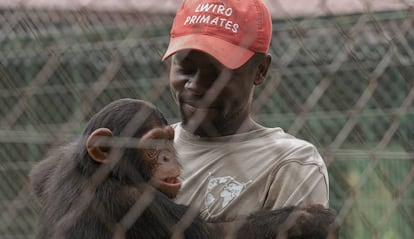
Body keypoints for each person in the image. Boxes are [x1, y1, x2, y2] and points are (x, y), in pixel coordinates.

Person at [161, 0, 329, 222]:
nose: (196, 86)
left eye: (217, 73)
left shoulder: (290, 162)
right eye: (186, 68)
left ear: (260, 70)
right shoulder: (146, 150)